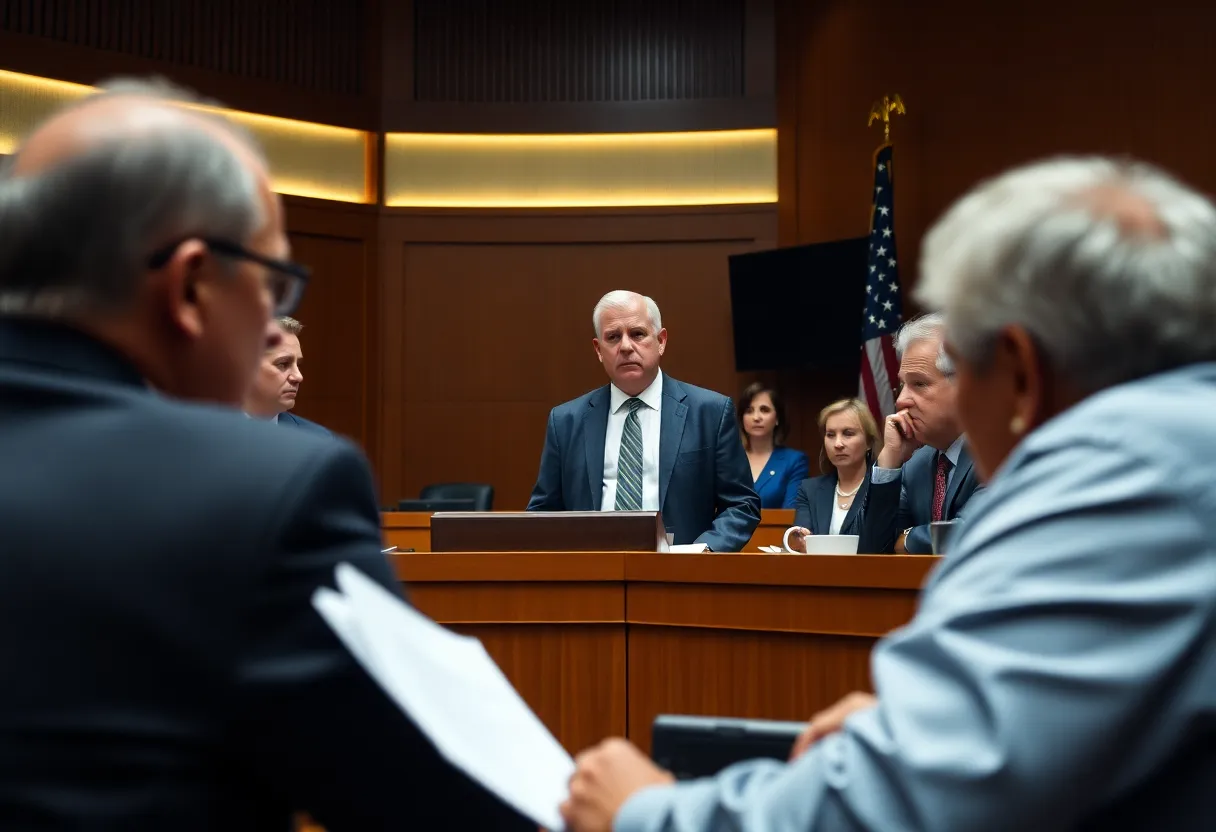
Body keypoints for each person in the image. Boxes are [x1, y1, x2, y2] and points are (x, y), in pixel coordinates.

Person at [559, 156, 1216, 831]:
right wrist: (919, 722)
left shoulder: (1118, 487)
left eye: (961, 365)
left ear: (1019, 371)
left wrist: (647, 811)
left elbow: (922, 794)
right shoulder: (1181, 444)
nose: (908, 400)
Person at [0, 78, 530, 830]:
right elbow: (452, 808)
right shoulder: (260, 494)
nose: (275, 326)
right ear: (190, 287)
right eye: (273, 286)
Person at [527, 290, 760, 552]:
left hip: (681, 570)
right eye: (613, 337)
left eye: (637, 334)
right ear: (598, 350)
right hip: (593, 570)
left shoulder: (710, 413)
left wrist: (703, 553)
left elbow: (741, 504)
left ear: (661, 341)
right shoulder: (566, 421)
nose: (626, 346)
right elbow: (543, 512)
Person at [855, 313, 984, 554]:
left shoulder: (998, 451)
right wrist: (889, 462)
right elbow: (872, 548)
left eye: (919, 384)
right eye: (902, 385)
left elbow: (972, 532)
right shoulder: (916, 464)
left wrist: (907, 538)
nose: (901, 401)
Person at [786, 397, 877, 549]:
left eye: (848, 433)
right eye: (830, 435)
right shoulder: (810, 489)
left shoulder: (882, 488)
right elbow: (801, 539)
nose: (838, 444)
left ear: (869, 442)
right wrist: (800, 539)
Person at [243, 315, 331, 435]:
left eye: (298, 364)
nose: (298, 377)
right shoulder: (216, 435)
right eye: (283, 364)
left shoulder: (318, 439)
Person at [736, 382, 808, 509]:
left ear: (777, 418)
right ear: (742, 418)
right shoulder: (729, 459)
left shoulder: (794, 461)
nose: (756, 417)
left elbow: (790, 512)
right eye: (749, 411)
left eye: (764, 410)